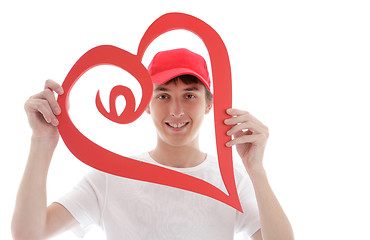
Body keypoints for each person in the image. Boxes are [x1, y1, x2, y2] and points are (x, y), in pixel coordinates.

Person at [11, 48, 294, 240]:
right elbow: (28, 233)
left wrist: (256, 169)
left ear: (209, 104)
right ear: (145, 103)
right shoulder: (111, 176)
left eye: (190, 95)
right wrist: (42, 142)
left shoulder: (232, 180)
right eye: (162, 95)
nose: (176, 110)